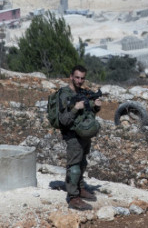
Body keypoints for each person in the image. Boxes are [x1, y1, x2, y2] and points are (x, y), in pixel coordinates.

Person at [55, 65, 102, 211]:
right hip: (72, 134)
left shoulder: (83, 93)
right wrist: (76, 108)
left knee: (82, 163)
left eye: (82, 78)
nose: (80, 81)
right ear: (71, 77)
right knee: (74, 166)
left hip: (83, 132)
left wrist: (96, 107)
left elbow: (88, 115)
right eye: (77, 77)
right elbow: (63, 120)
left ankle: (80, 188)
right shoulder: (63, 94)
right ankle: (73, 197)